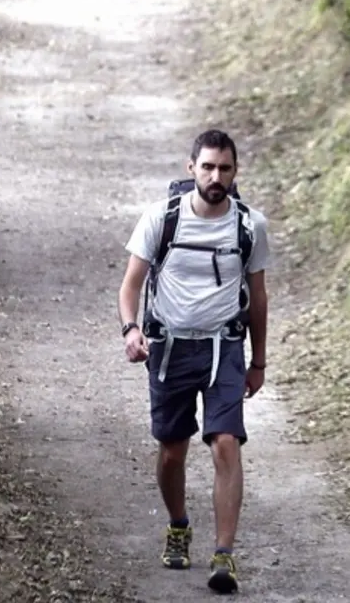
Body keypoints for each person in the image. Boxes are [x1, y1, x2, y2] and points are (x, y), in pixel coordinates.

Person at [116, 128, 270, 595]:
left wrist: (258, 361)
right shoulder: (161, 218)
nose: (215, 176)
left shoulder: (250, 226)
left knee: (226, 443)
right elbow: (130, 285)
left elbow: (258, 298)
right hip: (170, 348)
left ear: (235, 171)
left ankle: (224, 554)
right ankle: (178, 524)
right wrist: (131, 330)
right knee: (172, 451)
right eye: (207, 167)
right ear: (191, 169)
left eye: (224, 168)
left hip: (225, 347)